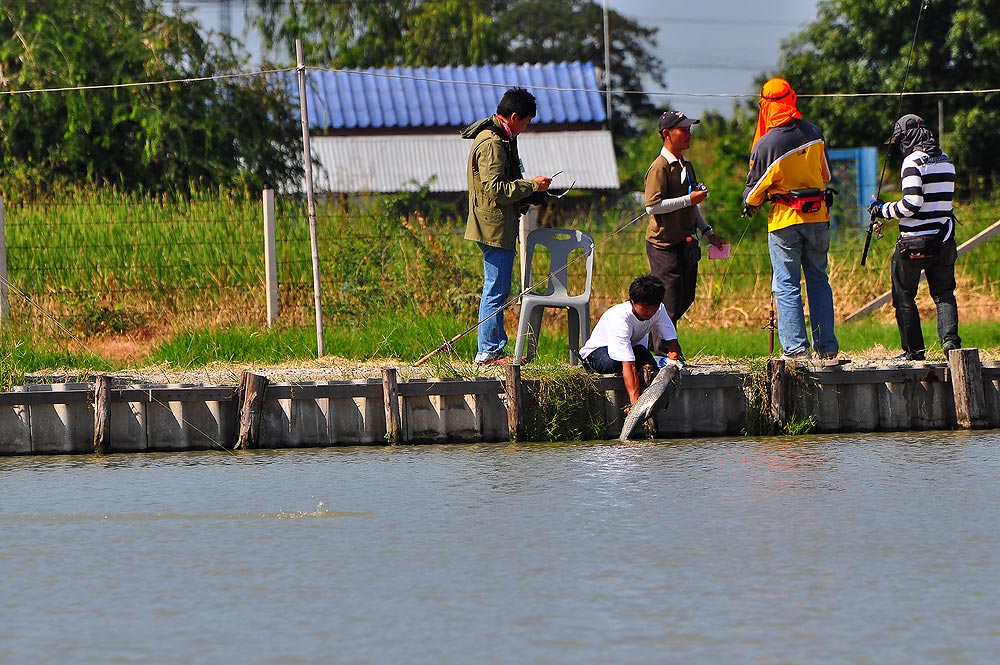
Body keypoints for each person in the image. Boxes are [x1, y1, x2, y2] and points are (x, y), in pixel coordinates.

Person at [742, 78, 839, 360]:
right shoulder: (814, 132)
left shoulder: (766, 143)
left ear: (765, 106)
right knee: (819, 280)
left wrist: (752, 204)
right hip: (818, 216)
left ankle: (796, 350)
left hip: (785, 221)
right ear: (791, 98)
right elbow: (826, 176)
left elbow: (752, 194)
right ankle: (827, 349)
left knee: (786, 284)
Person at [461, 87, 551, 365]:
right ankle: (488, 351)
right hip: (493, 226)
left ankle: (492, 348)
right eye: (525, 122)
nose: (525, 128)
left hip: (498, 223)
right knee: (496, 289)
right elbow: (496, 189)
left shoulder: (502, 138)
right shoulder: (492, 143)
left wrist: (530, 194)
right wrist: (531, 185)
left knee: (497, 287)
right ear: (514, 116)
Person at [868, 114, 960, 361]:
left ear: (907, 138)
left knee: (903, 296)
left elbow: (911, 204)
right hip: (943, 240)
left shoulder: (912, 161)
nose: (899, 146)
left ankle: (914, 351)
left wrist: (882, 210)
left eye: (899, 140)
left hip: (913, 244)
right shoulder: (947, 160)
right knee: (944, 294)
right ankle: (951, 344)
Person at [644, 110, 727, 325]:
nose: (689, 134)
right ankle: (664, 352)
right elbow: (652, 207)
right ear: (667, 133)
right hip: (663, 244)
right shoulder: (659, 167)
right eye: (683, 130)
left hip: (685, 242)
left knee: (686, 296)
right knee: (669, 300)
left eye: (689, 130)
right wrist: (688, 200)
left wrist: (708, 232)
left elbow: (693, 205)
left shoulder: (686, 166)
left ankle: (653, 343)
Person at [580, 275, 684, 406]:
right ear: (632, 301)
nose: (650, 311)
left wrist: (673, 361)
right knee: (613, 365)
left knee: (647, 360)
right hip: (597, 353)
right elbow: (629, 363)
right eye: (645, 307)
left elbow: (671, 340)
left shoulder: (659, 310)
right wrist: (635, 405)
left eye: (654, 307)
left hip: (632, 350)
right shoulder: (620, 318)